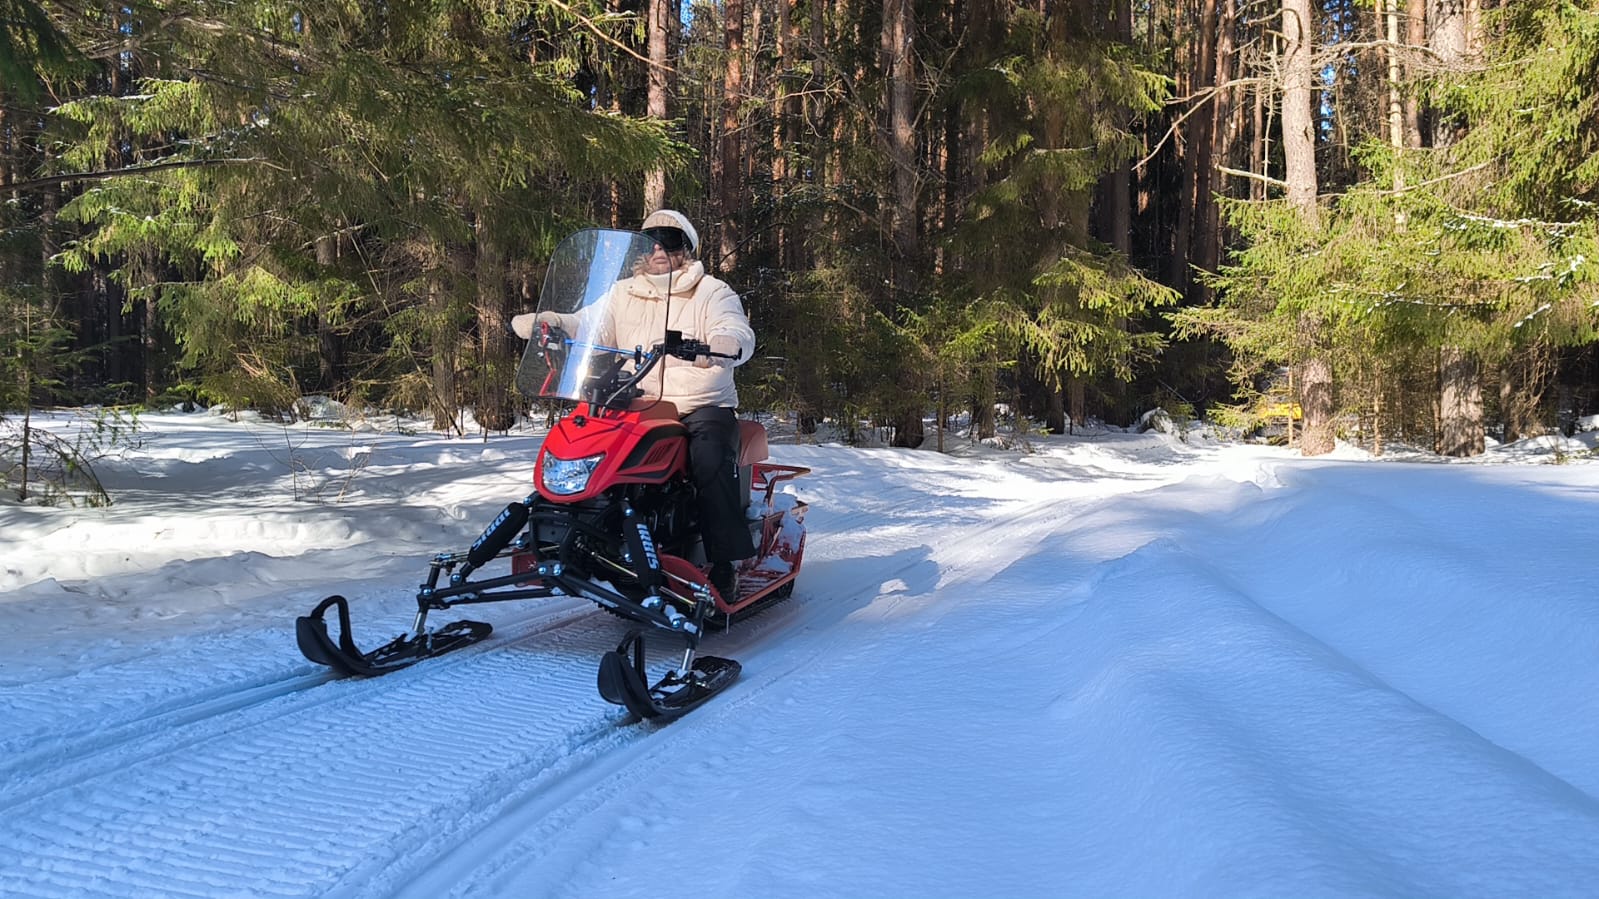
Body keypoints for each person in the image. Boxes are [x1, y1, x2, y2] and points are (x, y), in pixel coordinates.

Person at [512, 210, 756, 601]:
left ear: (686, 249)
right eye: (652, 241)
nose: (659, 248)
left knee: (708, 459)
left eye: (670, 240)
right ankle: (569, 533)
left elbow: (735, 327)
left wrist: (726, 342)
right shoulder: (624, 292)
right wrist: (554, 321)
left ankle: (723, 563)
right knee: (580, 443)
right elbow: (588, 324)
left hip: (698, 403)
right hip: (633, 400)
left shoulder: (712, 291)